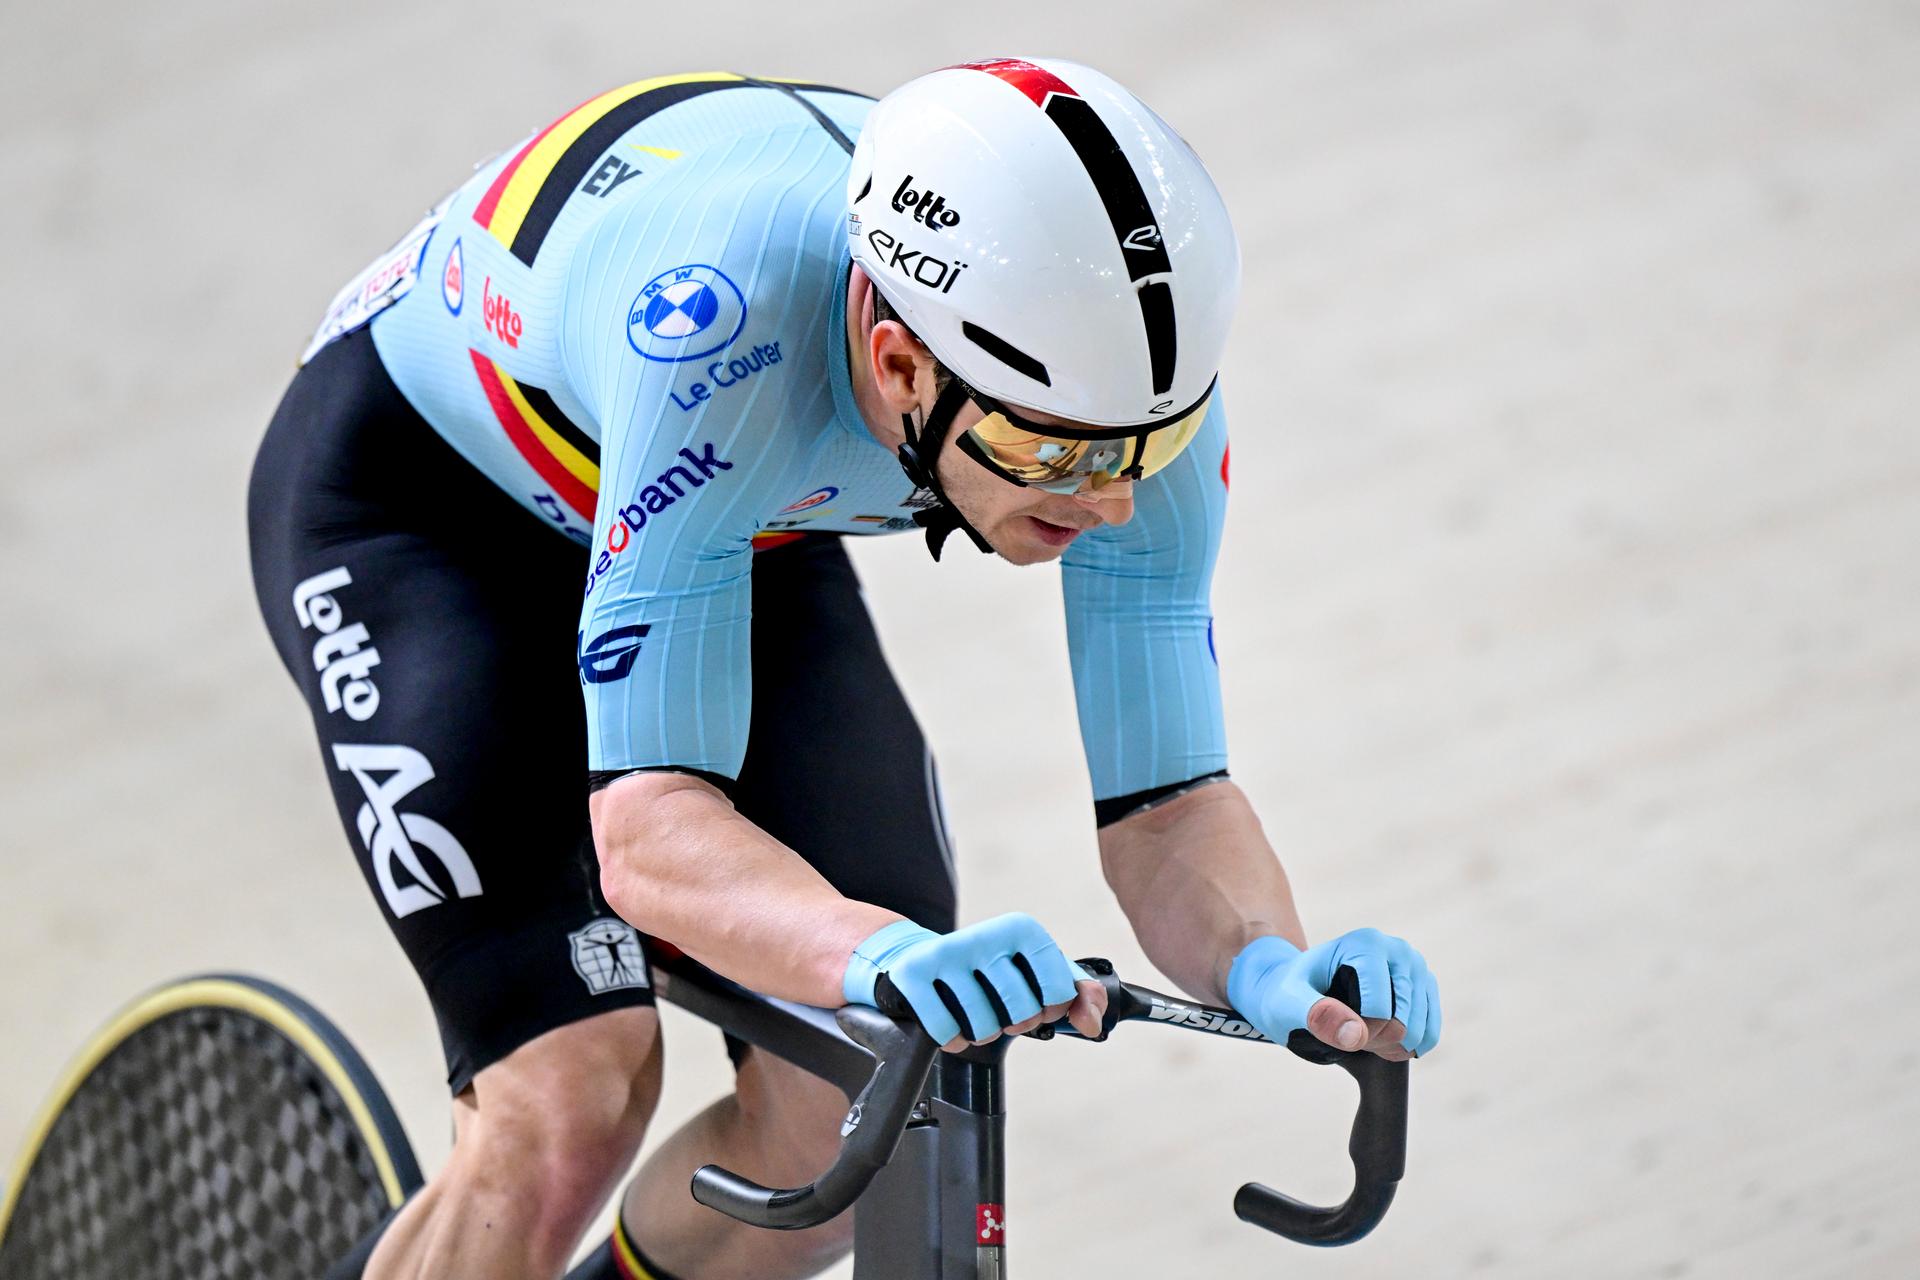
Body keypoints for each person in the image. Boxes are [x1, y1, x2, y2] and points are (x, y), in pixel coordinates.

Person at [249, 57, 1442, 1280]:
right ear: (900, 362)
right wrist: (868, 948)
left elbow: (1171, 802)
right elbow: (651, 838)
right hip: (435, 516)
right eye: (1050, 451)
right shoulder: (717, 332)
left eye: (1155, 445)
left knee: (866, 1091)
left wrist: (1273, 968)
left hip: (728, 520)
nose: (1116, 502)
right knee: (569, 1101)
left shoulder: (1122, 387)